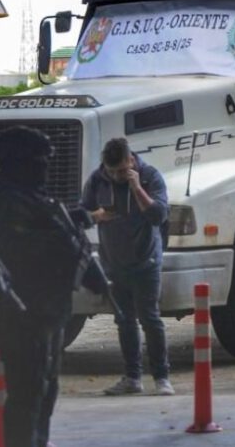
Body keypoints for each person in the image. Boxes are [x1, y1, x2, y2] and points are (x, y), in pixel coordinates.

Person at [0, 126, 98, 447]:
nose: (45, 167)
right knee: (27, 394)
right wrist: (67, 238)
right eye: (38, 161)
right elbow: (31, 253)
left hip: (48, 311)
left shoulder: (37, 200)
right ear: (18, 164)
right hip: (23, 314)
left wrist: (71, 225)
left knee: (45, 389)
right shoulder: (6, 204)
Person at [81, 137, 173, 396]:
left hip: (146, 260)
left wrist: (136, 188)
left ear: (131, 160)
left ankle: (162, 377)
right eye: (112, 171)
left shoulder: (150, 177)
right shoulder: (97, 180)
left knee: (150, 318)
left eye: (121, 171)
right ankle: (132, 377)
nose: (116, 176)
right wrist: (97, 216)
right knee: (124, 320)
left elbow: (158, 216)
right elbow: (80, 215)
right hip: (114, 262)